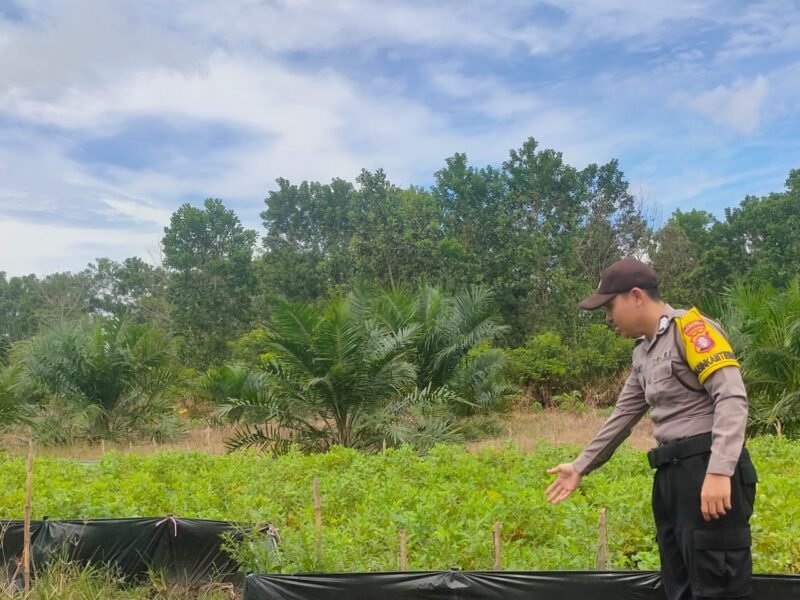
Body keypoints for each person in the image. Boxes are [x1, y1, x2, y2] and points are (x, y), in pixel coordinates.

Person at [545, 257, 757, 600]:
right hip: (671, 474)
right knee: (679, 585)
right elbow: (623, 414)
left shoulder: (691, 329)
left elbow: (731, 398)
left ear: (636, 296)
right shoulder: (643, 352)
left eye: (610, 306)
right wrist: (580, 466)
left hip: (708, 468)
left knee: (717, 584)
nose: (608, 317)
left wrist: (719, 472)